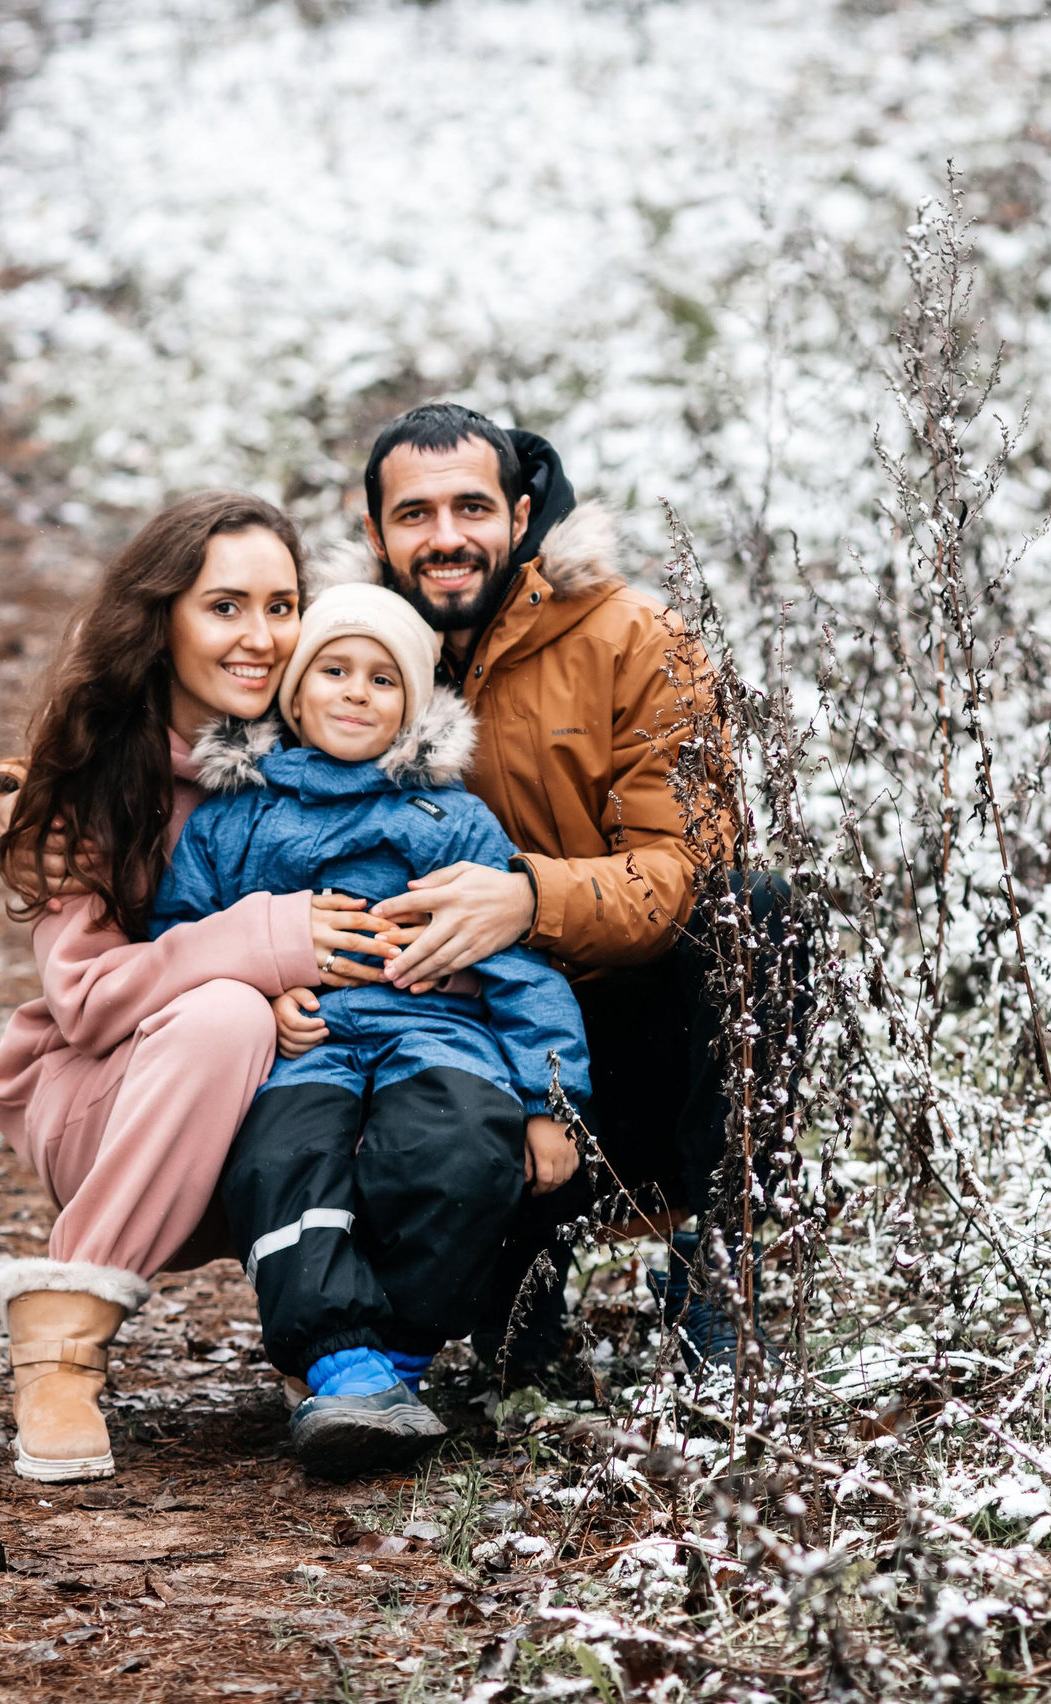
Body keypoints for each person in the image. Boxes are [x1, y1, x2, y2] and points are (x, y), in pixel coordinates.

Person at [303, 402, 781, 1377]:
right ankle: (506, 1270)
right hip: (426, 1039)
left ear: (521, 518)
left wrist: (526, 899)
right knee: (510, 1355)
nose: (446, 538)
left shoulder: (637, 640)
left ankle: (718, 1267)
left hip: (611, 1028)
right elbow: (181, 757)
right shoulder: (336, 659)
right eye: (416, 514)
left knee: (759, 917)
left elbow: (683, 867)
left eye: (471, 508)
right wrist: (23, 806)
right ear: (375, 533)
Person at [0, 491, 399, 1483]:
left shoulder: (328, 745)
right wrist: (259, 942)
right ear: (160, 620)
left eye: (282, 606)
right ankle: (60, 1341)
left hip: (277, 1108)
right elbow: (86, 998)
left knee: (374, 1046)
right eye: (225, 607)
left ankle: (342, 1339)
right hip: (111, 1105)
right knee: (222, 1012)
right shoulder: (86, 781)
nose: (261, 638)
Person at [151, 583, 589, 1474]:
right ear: (294, 692)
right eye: (334, 671)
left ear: (415, 707)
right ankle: (340, 1360)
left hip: (437, 1037)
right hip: (304, 1047)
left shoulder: (448, 819)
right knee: (281, 1164)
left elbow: (520, 965)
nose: (356, 692)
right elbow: (180, 940)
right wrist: (260, 990)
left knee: (464, 1148)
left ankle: (390, 1366)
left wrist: (553, 1100)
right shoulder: (232, 820)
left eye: (383, 680)